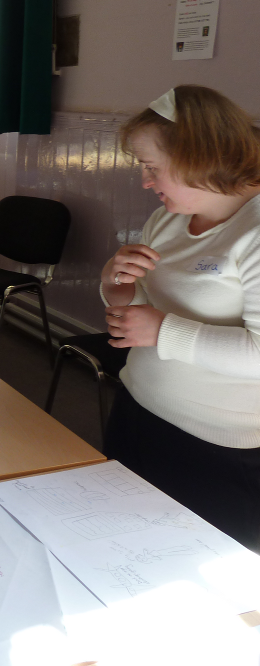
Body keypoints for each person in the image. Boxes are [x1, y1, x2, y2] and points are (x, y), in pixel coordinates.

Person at [101, 84, 260, 550]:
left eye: (153, 169)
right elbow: (135, 312)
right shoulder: (167, 219)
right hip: (139, 411)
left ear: (199, 157)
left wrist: (163, 331)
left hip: (216, 445)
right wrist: (117, 287)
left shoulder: (253, 232)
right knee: (121, 546)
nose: (146, 182)